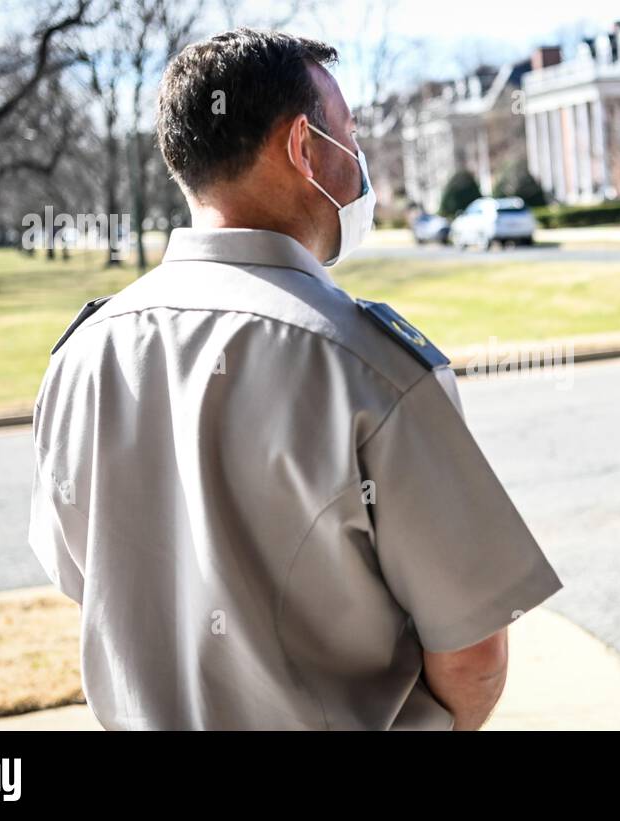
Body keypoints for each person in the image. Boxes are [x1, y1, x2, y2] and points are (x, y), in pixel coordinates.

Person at [28, 28, 562, 730]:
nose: (359, 159)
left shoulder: (80, 355)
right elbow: (472, 651)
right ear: (303, 149)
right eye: (349, 134)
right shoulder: (370, 366)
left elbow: (79, 577)